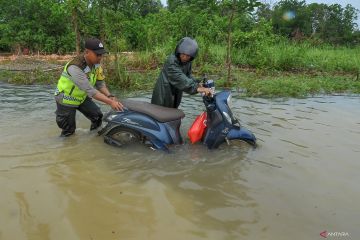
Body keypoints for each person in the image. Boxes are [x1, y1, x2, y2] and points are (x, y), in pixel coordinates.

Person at [54, 38, 123, 137]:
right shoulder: (75, 67)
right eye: (97, 54)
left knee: (97, 116)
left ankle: (93, 138)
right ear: (87, 52)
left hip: (81, 97)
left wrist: (109, 95)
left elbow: (100, 83)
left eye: (101, 54)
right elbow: (90, 90)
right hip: (65, 99)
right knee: (68, 132)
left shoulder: (96, 65)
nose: (100, 57)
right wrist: (110, 102)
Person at [151, 37, 211, 108]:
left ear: (191, 56)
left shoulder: (187, 62)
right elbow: (180, 79)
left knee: (173, 115)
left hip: (175, 95)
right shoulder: (171, 62)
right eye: (183, 54)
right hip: (163, 97)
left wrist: (197, 82)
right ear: (178, 52)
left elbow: (187, 76)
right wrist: (197, 87)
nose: (185, 58)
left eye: (188, 56)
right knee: (163, 116)